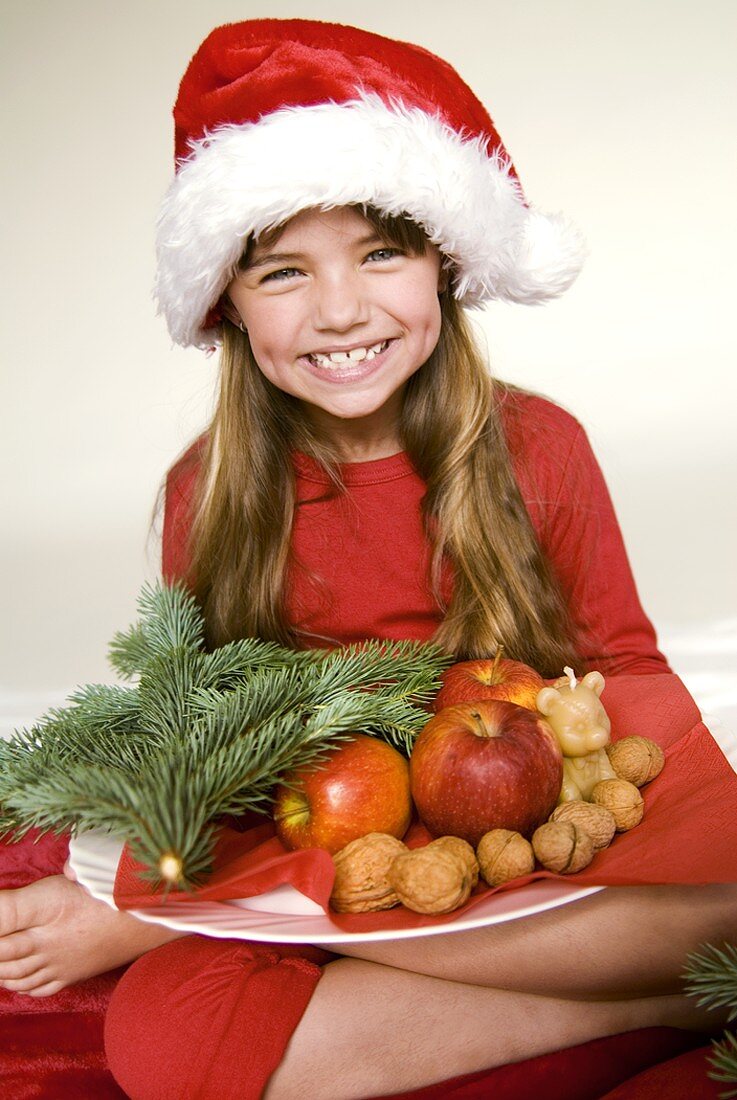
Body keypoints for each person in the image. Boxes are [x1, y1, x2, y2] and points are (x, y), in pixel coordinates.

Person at [0, 18, 734, 1100]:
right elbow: (206, 736)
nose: (340, 309)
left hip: (528, 854)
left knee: (720, 904)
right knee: (162, 1034)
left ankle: (635, 965)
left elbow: (621, 665)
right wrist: (209, 873)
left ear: (443, 262)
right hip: (326, 855)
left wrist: (664, 826)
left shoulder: (539, 448)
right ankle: (655, 997)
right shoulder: (208, 493)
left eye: (379, 252)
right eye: (283, 271)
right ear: (227, 306)